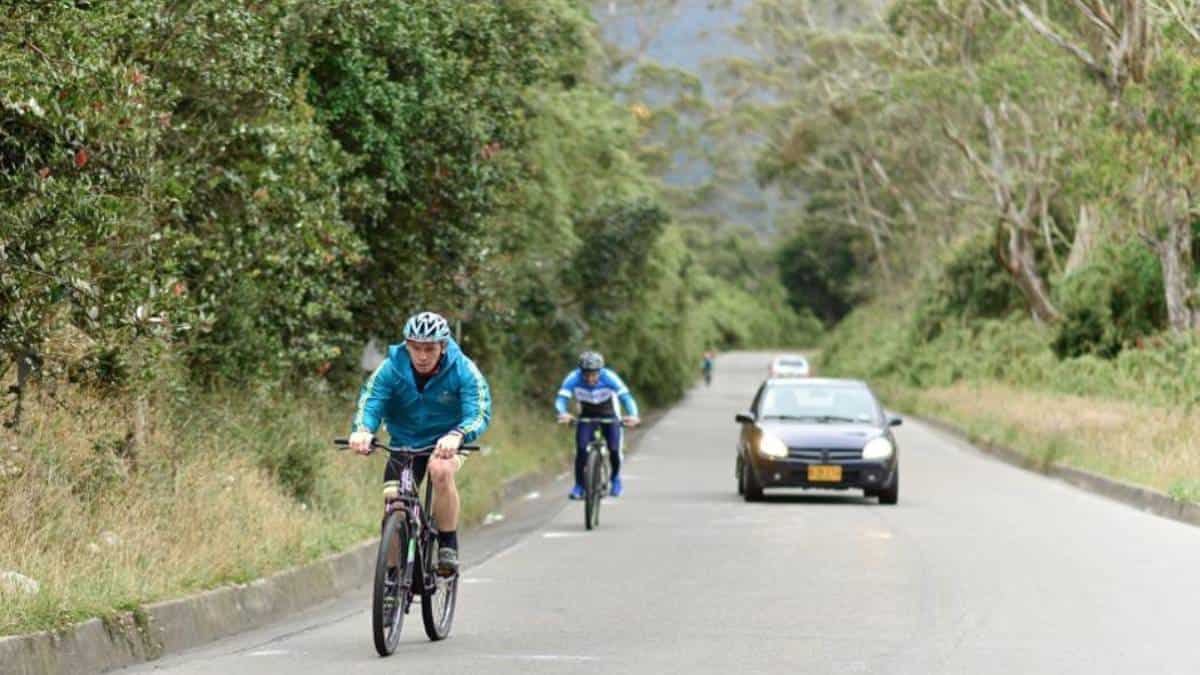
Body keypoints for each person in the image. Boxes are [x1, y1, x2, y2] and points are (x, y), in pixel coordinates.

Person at [348, 311, 491, 575]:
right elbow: (372, 400)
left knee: (441, 471)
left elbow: (479, 411)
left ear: (443, 346)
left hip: (447, 441)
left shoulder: (463, 369)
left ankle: (447, 544)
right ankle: (392, 580)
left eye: (430, 349)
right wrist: (363, 430)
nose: (422, 356)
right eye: (416, 348)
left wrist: (458, 434)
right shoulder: (391, 367)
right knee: (394, 502)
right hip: (405, 442)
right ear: (407, 345)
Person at [555, 351, 640, 499]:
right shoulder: (573, 378)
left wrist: (633, 415)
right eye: (586, 374)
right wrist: (562, 412)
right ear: (581, 371)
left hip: (609, 414)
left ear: (600, 371)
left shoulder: (610, 377)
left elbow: (626, 398)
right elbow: (561, 398)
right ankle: (579, 485)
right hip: (587, 416)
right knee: (582, 449)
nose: (590, 378)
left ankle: (615, 479)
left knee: (614, 449)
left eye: (594, 374)